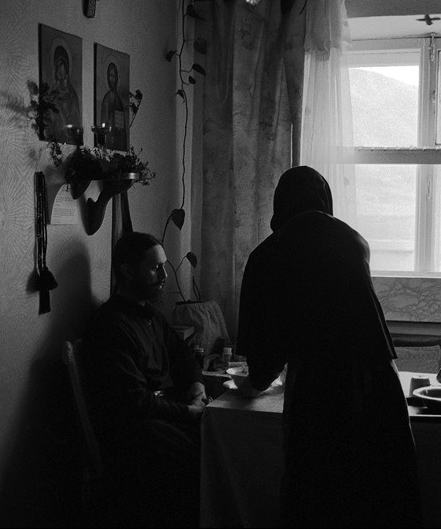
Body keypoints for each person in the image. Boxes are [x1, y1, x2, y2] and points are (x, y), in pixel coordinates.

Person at [235, 166, 422, 527]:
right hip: (378, 379)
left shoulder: (267, 255)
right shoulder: (354, 242)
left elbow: (265, 352)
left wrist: (252, 383)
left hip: (317, 389)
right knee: (379, 488)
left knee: (318, 491)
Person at [80, 232, 210, 527]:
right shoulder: (110, 326)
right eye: (155, 268)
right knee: (202, 454)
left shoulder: (150, 314)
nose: (164, 275)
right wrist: (189, 412)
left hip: (163, 415)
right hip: (135, 431)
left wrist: (197, 388)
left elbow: (183, 356)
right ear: (127, 271)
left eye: (164, 266)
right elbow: (133, 401)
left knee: (219, 436)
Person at [48, 45, 81, 142]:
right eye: (58, 69)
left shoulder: (73, 94)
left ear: (66, 70)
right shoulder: (53, 95)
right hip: (58, 135)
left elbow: (76, 117)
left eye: (62, 69)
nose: (59, 73)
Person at [100, 62, 127, 150]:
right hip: (108, 138)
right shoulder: (106, 99)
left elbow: (122, 124)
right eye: (110, 76)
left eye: (114, 76)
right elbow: (104, 121)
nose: (112, 79)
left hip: (118, 138)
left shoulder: (119, 100)